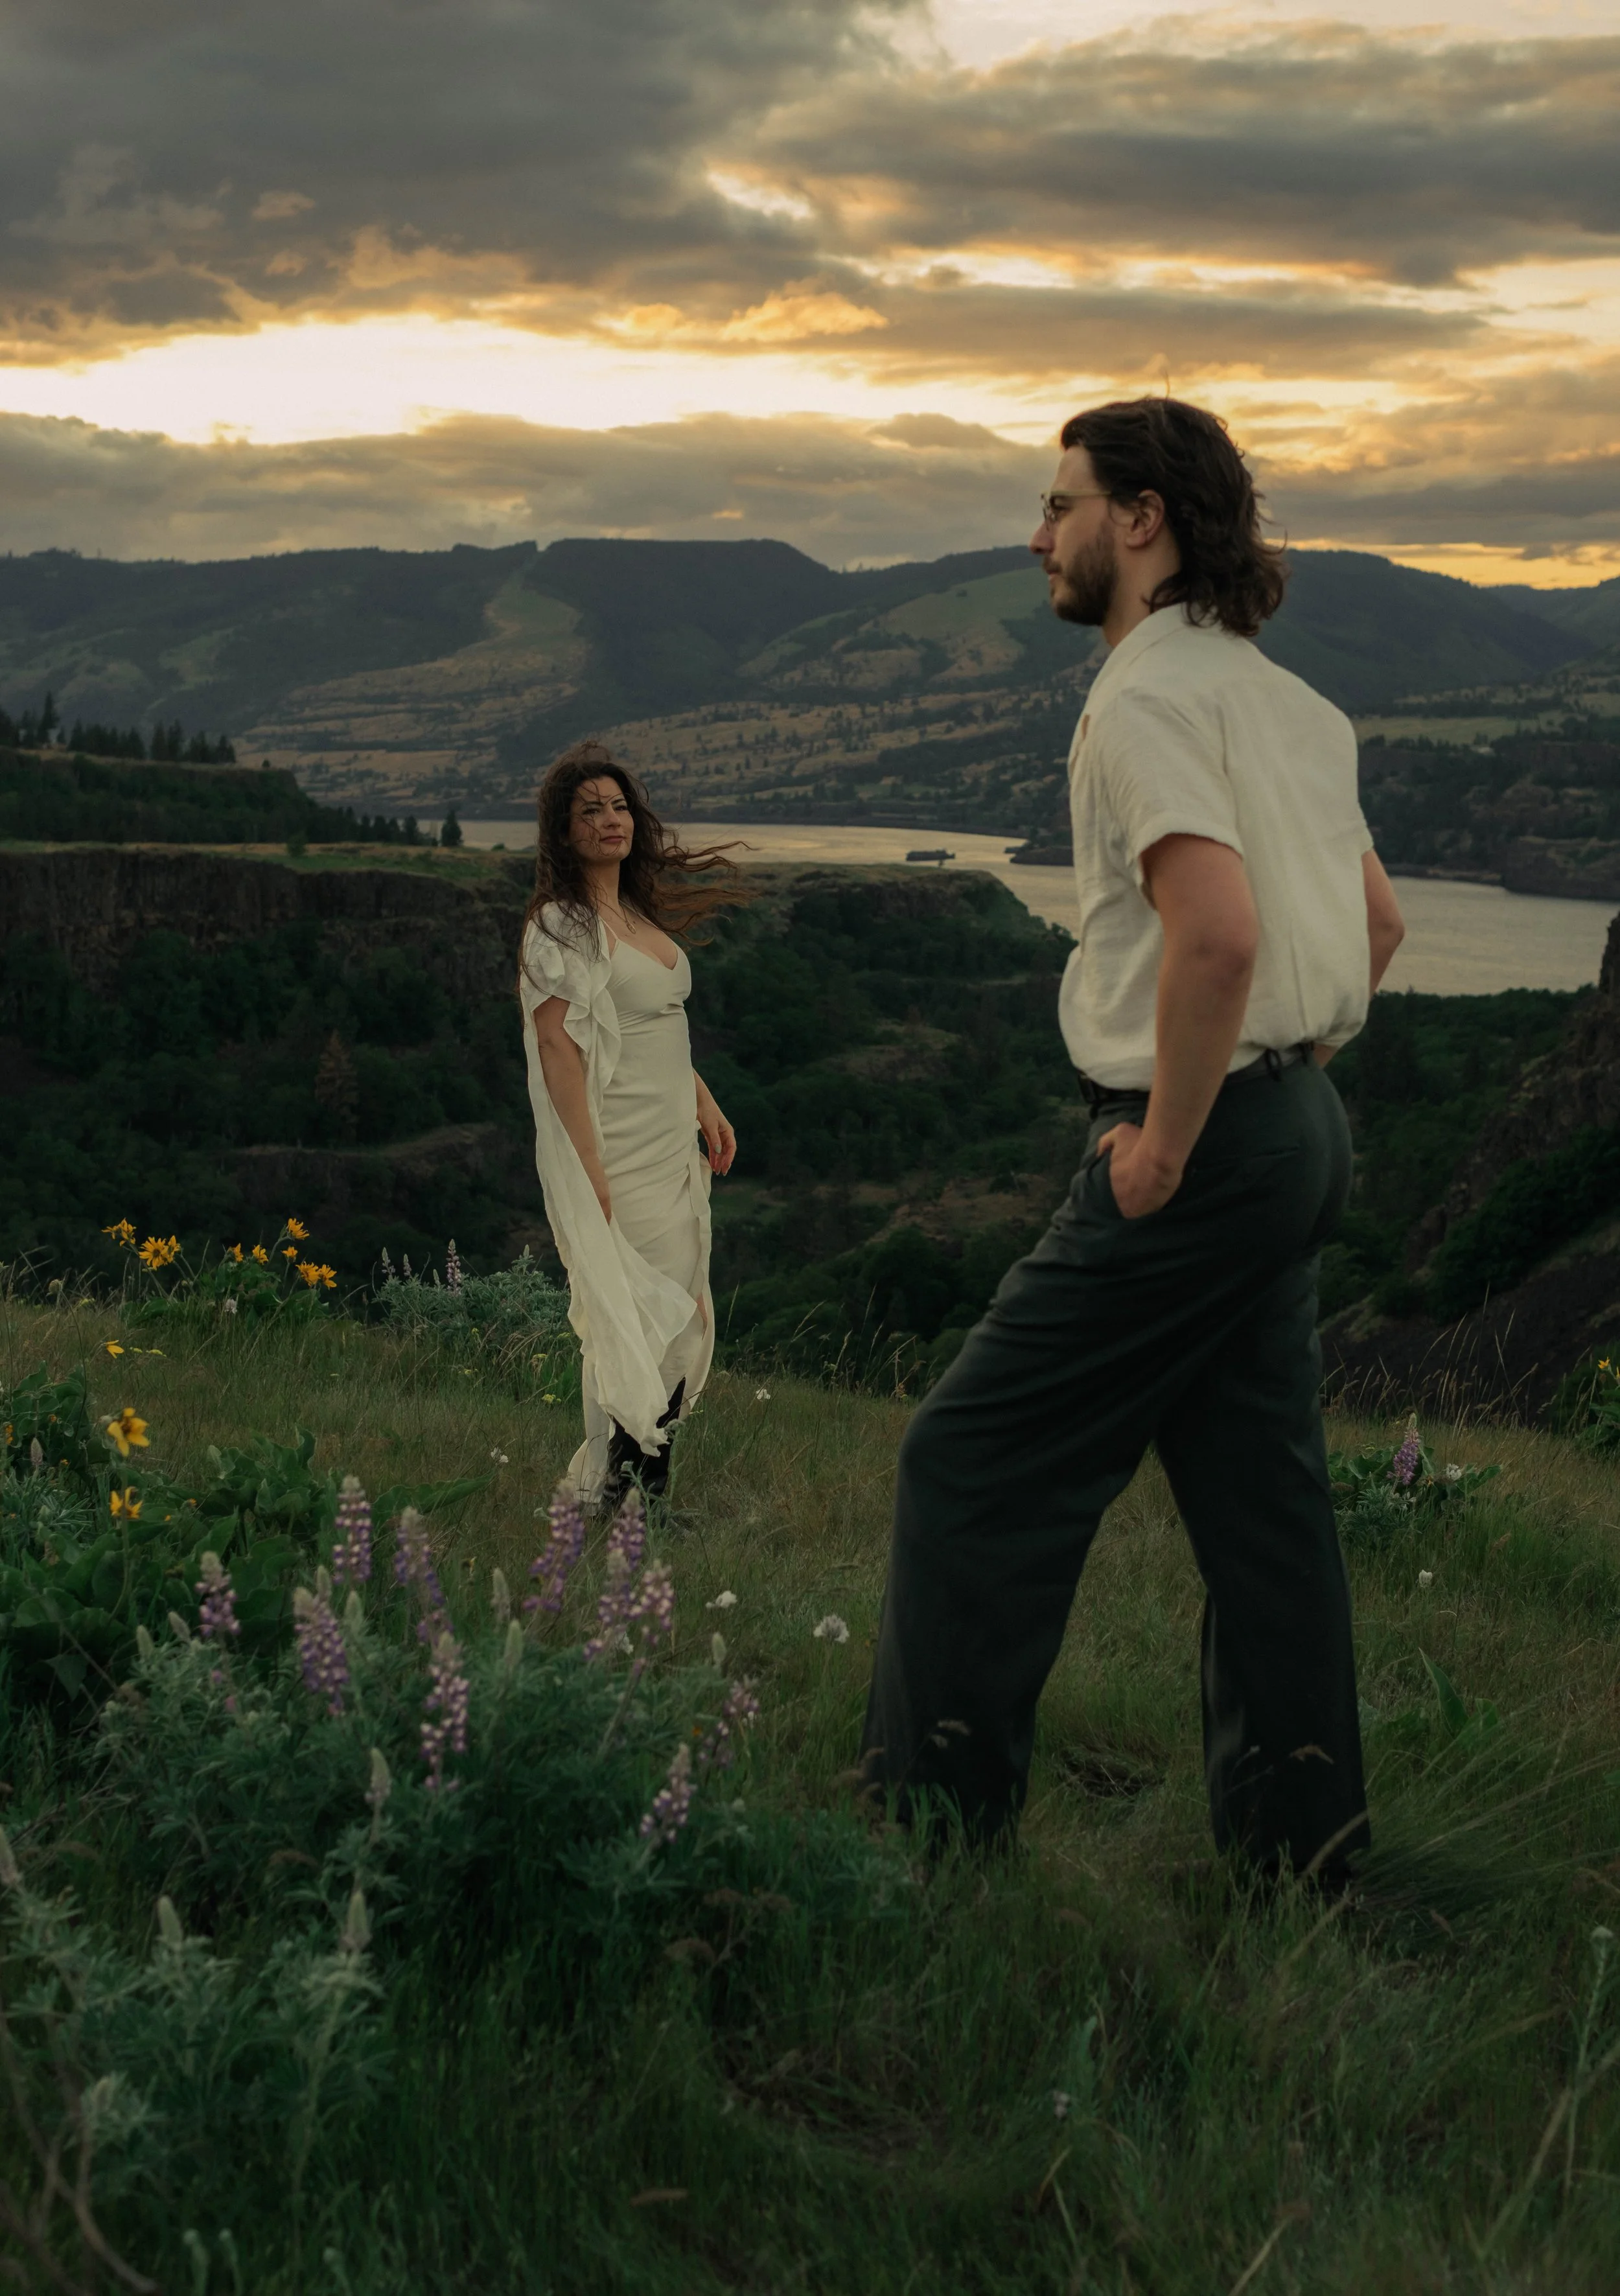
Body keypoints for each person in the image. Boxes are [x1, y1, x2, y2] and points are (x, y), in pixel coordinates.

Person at [861, 397, 1406, 1886]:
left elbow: (1216, 938)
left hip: (1204, 1143)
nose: (1037, 535)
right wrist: (1295, 1066)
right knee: (1262, 1504)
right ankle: (1303, 1862)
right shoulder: (1295, 706)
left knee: (968, 1460)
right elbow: (1375, 924)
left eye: (1059, 506)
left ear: (1141, 518)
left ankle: (927, 1840)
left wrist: (1165, 1147)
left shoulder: (1143, 700)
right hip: (1297, 1124)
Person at [518, 741, 747, 1503]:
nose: (609, 820)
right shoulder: (563, 926)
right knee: (632, 1323)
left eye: (618, 806)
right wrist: (589, 1174)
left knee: (679, 1320)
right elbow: (557, 1045)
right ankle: (616, 1497)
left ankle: (649, 1493)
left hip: (670, 1146)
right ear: (562, 832)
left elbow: (655, 1029)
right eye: (589, 811)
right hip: (617, 1150)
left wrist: (702, 1101)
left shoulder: (635, 914)